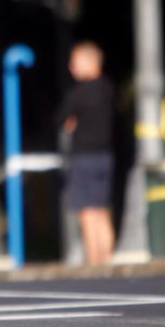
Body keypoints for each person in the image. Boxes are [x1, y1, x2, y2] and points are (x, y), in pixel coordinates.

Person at [59, 41, 116, 266]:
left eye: (75, 63)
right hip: (105, 156)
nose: (72, 68)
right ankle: (107, 259)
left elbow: (64, 121)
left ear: (89, 63)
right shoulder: (109, 90)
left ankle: (95, 263)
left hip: (83, 156)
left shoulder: (79, 94)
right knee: (101, 209)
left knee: (87, 211)